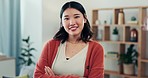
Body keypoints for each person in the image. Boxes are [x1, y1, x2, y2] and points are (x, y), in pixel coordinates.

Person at [34, 1, 104, 78]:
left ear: (84, 19)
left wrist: (53, 77)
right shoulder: (50, 45)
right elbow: (38, 75)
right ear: (62, 22)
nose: (72, 22)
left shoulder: (96, 49)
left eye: (76, 17)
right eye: (66, 18)